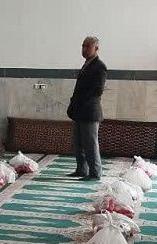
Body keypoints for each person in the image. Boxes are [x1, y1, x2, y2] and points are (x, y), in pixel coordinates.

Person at [66, 36, 107, 180]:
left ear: (96, 48)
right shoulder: (86, 65)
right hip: (79, 111)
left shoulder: (99, 66)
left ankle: (95, 173)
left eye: (87, 46)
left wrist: (81, 101)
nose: (84, 49)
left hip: (89, 112)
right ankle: (82, 170)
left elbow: (97, 90)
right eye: (83, 46)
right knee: (79, 143)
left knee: (90, 144)